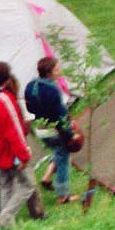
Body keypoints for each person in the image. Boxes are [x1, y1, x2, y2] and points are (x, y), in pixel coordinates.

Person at [0, 61, 43, 229]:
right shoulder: (4, 100)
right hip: (8, 150)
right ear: (7, 78)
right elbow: (14, 130)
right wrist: (24, 155)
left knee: (5, 183)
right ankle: (5, 217)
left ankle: (1, 222)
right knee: (27, 184)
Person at [25, 57, 75, 204]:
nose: (60, 71)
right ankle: (63, 196)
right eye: (57, 69)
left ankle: (46, 177)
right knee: (64, 158)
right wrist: (69, 132)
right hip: (55, 129)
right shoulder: (53, 89)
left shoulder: (31, 85)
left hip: (40, 128)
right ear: (50, 72)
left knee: (58, 151)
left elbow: (29, 107)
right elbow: (60, 114)